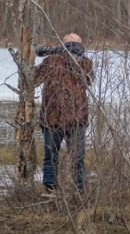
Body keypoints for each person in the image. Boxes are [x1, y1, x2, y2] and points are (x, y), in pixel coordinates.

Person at [34, 33, 93, 194]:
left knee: (54, 157)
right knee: (73, 158)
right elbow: (90, 81)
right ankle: (73, 191)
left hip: (59, 118)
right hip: (68, 118)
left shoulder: (54, 61)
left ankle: (57, 190)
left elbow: (30, 80)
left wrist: (55, 52)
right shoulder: (84, 63)